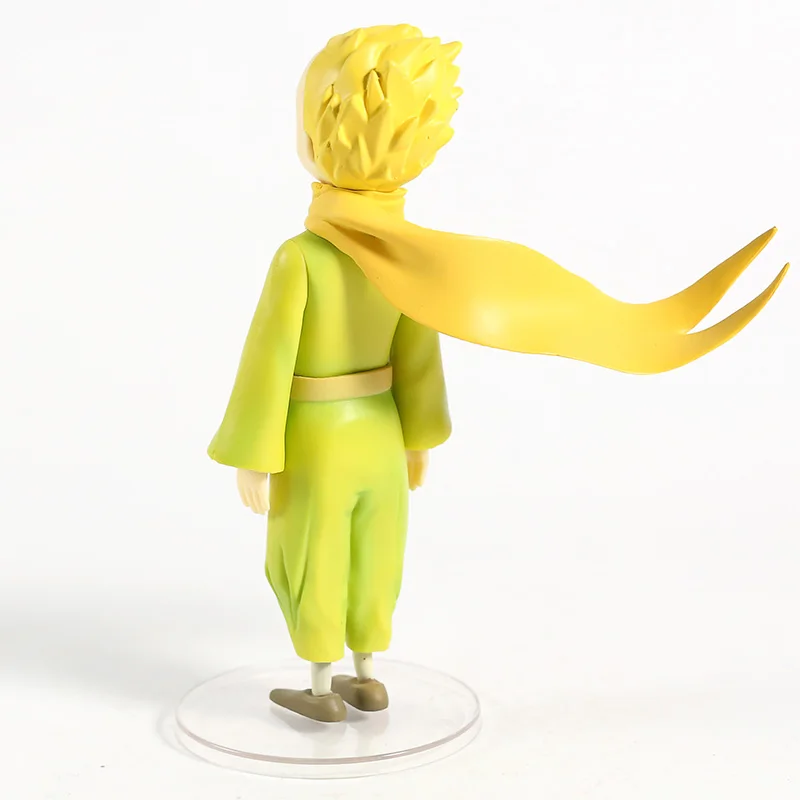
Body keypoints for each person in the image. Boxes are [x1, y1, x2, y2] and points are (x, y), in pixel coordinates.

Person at [208, 24, 788, 722]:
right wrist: (419, 436)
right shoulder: (409, 260)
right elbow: (417, 353)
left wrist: (254, 453)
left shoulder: (301, 258)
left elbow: (268, 360)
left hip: (317, 437)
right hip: (382, 433)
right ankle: (368, 673)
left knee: (313, 548)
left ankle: (322, 685)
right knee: (375, 546)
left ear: (316, 134)